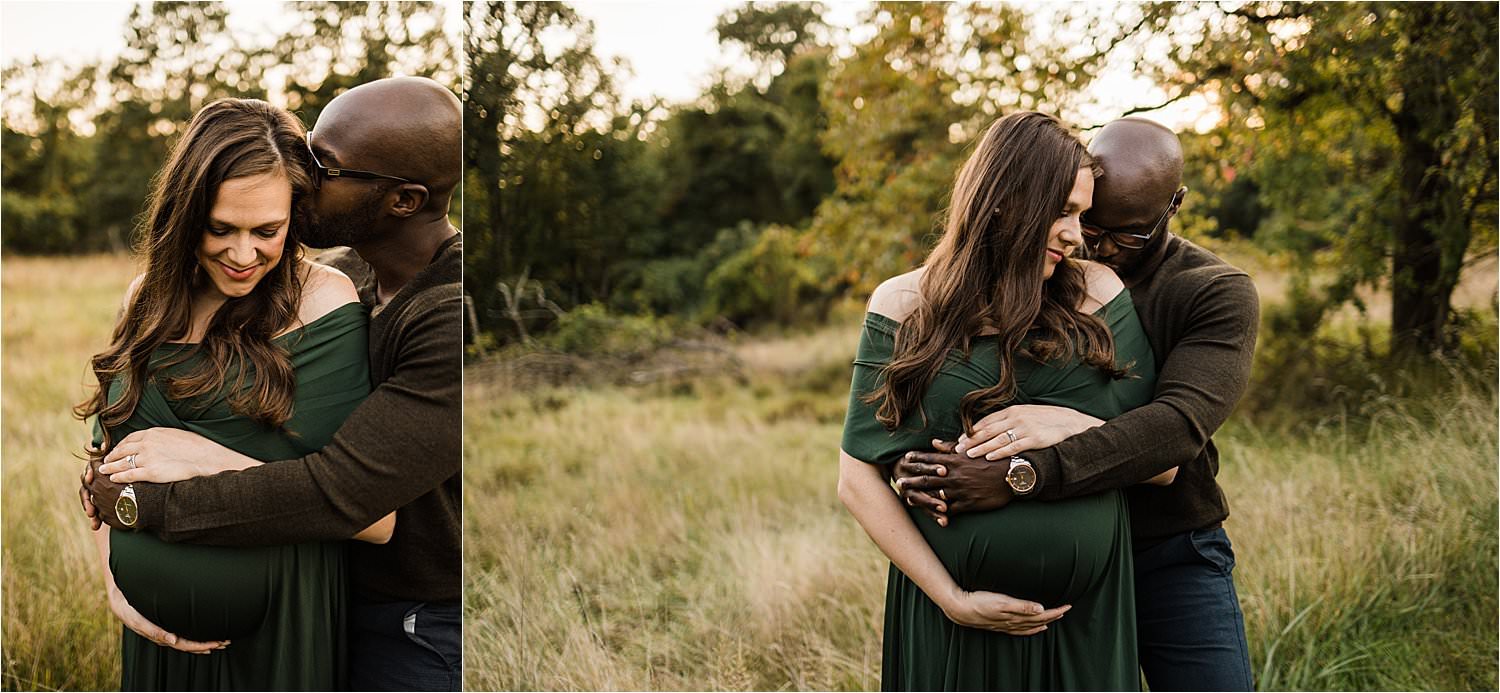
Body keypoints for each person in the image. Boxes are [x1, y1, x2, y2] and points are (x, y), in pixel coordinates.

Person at [81, 76, 464, 691]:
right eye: (221, 227)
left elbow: (350, 498)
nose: (307, 180)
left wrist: (155, 493)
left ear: (403, 200)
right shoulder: (357, 277)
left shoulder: (443, 317)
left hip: (415, 623)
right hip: (178, 643)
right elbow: (108, 450)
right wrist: (117, 569)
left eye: (326, 169)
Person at [892, 117, 1260, 691]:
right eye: (1086, 220)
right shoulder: (1038, 266)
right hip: (1059, 564)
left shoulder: (1213, 290)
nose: (1097, 246)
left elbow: (1176, 434)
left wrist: (1036, 460)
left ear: (1176, 203)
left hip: (1166, 546)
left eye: (1127, 234)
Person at [839, 111, 1177, 691]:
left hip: (1084, 622)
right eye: (1064, 212)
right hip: (951, 623)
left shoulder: (1099, 296)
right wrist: (952, 599)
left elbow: (1164, 464)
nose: (1078, 235)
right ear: (1003, 200)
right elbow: (857, 478)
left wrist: (1068, 424)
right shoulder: (902, 305)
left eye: (1083, 215)